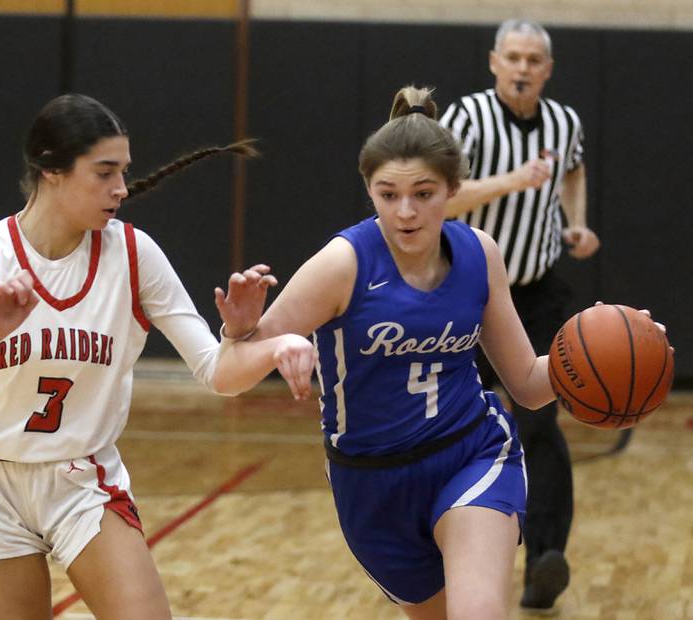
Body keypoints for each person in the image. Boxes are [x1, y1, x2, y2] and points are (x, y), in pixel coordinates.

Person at [0, 93, 278, 620]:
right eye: (104, 172)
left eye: (124, 171)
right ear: (52, 169)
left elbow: (218, 375)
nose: (122, 188)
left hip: (81, 479)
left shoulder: (135, 254)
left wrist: (241, 335)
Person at [210, 84, 562, 620]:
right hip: (370, 482)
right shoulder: (343, 264)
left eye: (424, 193)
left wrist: (588, 353)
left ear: (452, 189)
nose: (405, 211)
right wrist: (259, 340)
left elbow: (530, 386)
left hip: (472, 452)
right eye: (387, 193)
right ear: (369, 190)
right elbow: (225, 376)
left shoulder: (480, 254)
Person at [439, 18, 601, 613]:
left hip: (535, 293)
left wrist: (573, 221)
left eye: (534, 59)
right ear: (493, 61)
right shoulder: (465, 117)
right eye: (514, 57)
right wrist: (516, 180)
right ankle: (446, 559)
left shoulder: (565, 123)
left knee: (539, 425)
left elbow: (574, 167)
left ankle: (546, 559)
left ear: (548, 69)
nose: (524, 67)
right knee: (453, 426)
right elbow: (443, 196)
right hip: (461, 290)